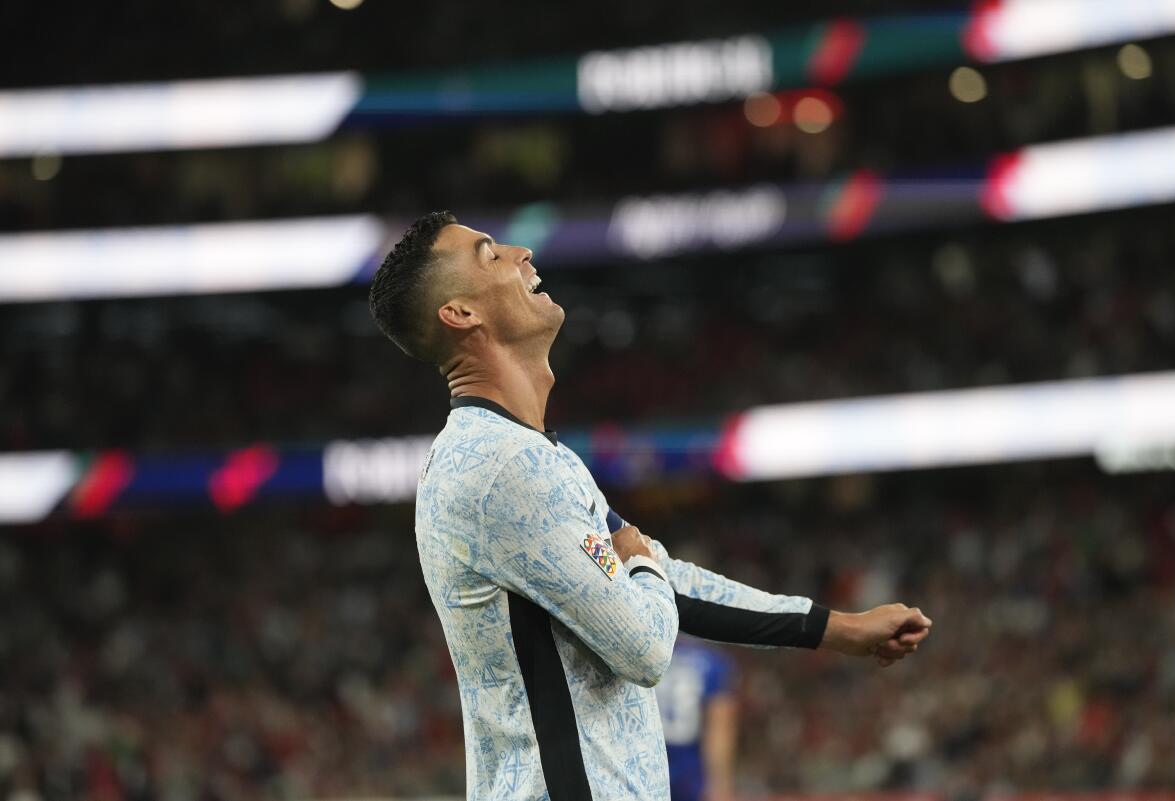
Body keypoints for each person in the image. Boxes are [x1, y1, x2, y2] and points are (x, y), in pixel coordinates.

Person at [367, 211, 933, 801]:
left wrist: (836, 628)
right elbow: (645, 645)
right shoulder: (504, 469)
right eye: (489, 254)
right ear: (461, 314)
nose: (520, 252)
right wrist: (637, 565)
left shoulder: (513, 454)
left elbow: (664, 578)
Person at [656, 636, 738, 801]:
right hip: (690, 773)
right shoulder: (713, 662)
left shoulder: (646, 655)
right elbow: (718, 730)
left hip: (644, 765)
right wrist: (720, 785)